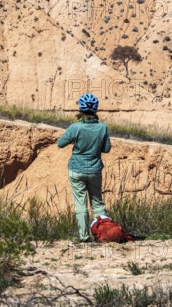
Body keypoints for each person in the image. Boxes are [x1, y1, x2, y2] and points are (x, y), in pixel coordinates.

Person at [57, 93, 111, 242]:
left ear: (80, 108)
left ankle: (84, 237)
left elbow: (60, 143)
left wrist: (75, 139)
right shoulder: (103, 128)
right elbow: (106, 149)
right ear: (96, 109)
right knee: (97, 203)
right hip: (94, 170)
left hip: (76, 169)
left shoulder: (75, 127)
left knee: (81, 204)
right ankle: (104, 234)